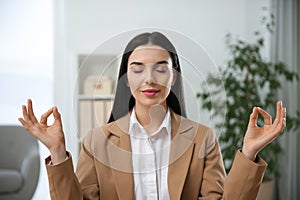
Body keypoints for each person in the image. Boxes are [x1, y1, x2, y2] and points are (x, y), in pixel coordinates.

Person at [19, 32, 286, 200]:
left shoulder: (202, 138)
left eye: (161, 68)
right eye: (137, 69)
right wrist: (57, 151)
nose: (149, 79)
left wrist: (249, 152)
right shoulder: (96, 141)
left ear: (174, 75)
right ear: (125, 79)